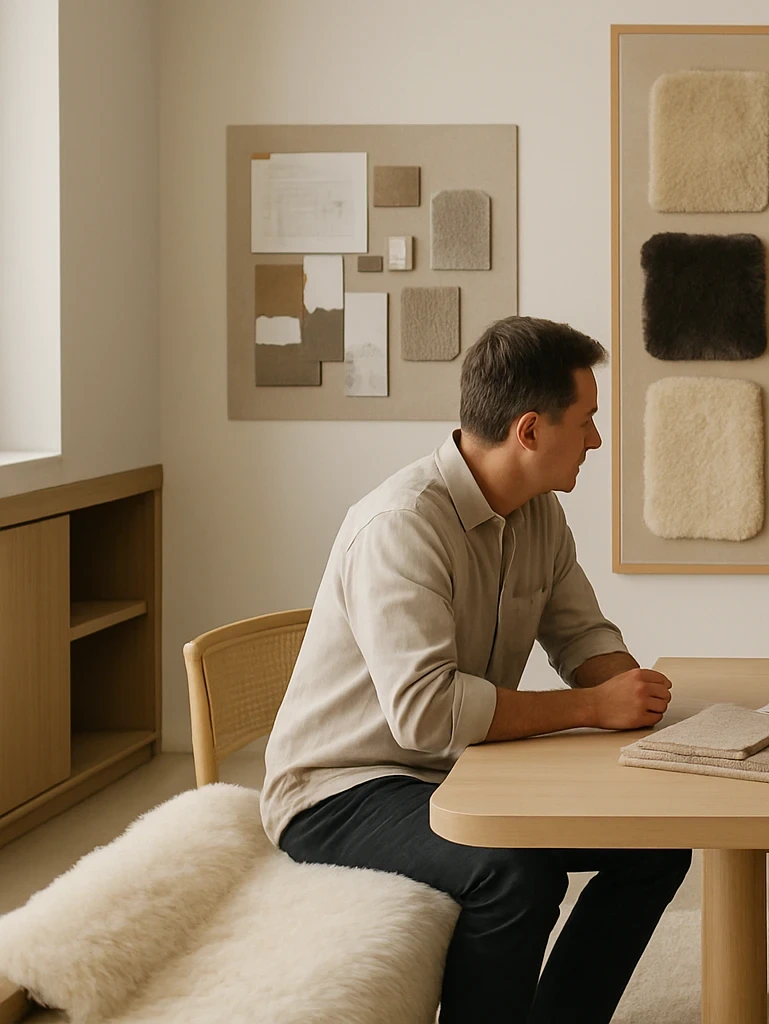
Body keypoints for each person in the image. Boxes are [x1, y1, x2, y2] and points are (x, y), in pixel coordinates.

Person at [261, 316, 691, 1024]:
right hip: (340, 788)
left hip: (462, 769)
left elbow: (582, 638)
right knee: (513, 871)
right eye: (585, 421)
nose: (596, 440)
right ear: (529, 431)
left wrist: (638, 700)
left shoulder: (539, 515)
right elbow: (428, 713)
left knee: (655, 841)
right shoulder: (400, 526)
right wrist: (591, 709)